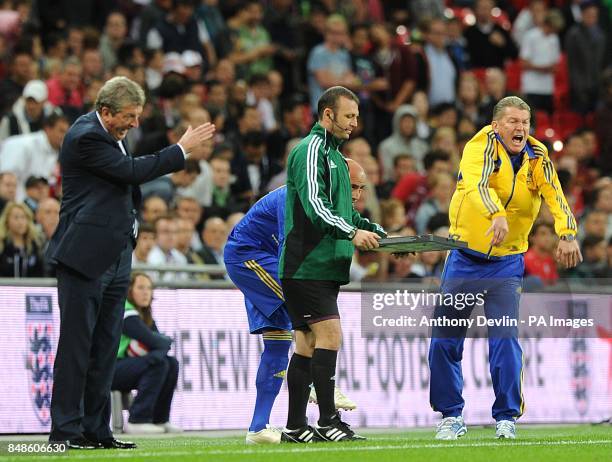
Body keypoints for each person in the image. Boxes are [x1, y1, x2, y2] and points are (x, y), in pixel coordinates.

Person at [46, 76, 215, 449]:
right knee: (77, 348)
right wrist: (180, 149)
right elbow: (132, 173)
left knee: (105, 348)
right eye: (129, 116)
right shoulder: (85, 135)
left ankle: (97, 431)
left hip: (116, 255)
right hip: (84, 257)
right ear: (105, 111)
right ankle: (65, 433)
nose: (135, 124)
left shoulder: (112, 133)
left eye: (138, 116)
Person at [429, 96, 582, 441]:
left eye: (525, 122)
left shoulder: (537, 156)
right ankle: (451, 416)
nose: (521, 129)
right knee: (445, 339)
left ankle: (506, 417)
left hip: (507, 262)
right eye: (513, 122)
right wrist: (495, 214)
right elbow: (476, 184)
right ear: (496, 126)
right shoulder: (478, 147)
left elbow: (555, 195)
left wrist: (568, 233)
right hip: (465, 256)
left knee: (505, 339)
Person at [224, 157, 367, 444]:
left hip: (270, 261)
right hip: (249, 257)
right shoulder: (297, 197)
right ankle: (316, 382)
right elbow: (293, 246)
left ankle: (258, 428)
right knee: (314, 321)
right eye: (352, 186)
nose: (356, 195)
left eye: (361, 188)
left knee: (278, 344)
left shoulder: (330, 206)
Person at [279, 86, 386, 443]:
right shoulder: (310, 151)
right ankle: (327, 420)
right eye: (349, 116)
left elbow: (345, 212)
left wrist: (377, 233)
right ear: (328, 115)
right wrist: (352, 232)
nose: (354, 123)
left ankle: (295, 427)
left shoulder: (337, 157)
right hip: (307, 264)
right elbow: (314, 205)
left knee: (307, 345)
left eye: (356, 116)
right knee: (330, 335)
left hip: (323, 267)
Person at [112, 272, 180, 434]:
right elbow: (156, 341)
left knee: (171, 363)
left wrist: (160, 347)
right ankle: (138, 419)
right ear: (130, 290)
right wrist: (160, 348)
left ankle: (160, 419)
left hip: (128, 367)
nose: (145, 292)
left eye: (149, 288)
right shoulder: (125, 312)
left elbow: (161, 343)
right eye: (140, 287)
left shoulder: (145, 314)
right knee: (159, 363)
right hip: (110, 369)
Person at [0, 202, 44, 277]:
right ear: (7, 221)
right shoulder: (2, 245)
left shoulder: (35, 245)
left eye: (23, 217)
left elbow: (40, 273)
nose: (20, 222)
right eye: (16, 217)